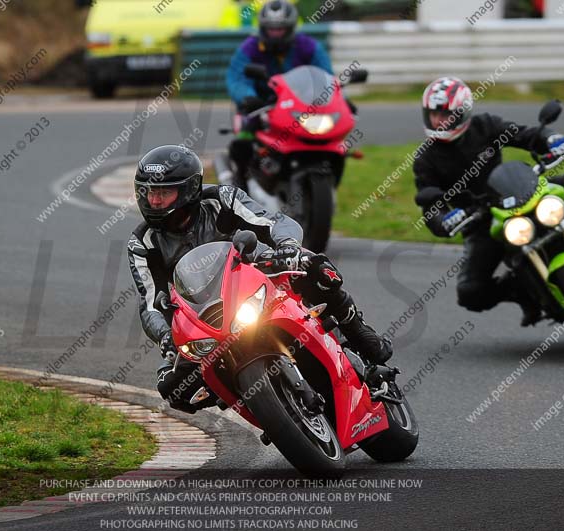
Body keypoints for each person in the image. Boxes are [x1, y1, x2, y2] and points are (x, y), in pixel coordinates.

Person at [128, 145, 392, 413]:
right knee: (173, 389)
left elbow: (274, 222)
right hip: (208, 317)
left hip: (259, 277)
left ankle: (359, 332)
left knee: (317, 268)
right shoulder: (142, 243)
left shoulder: (223, 199)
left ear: (187, 190)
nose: (155, 201)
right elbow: (150, 304)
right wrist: (165, 335)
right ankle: (251, 398)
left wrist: (288, 246)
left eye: (164, 193)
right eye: (150, 193)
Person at [413, 76, 564, 325]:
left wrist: (550, 139)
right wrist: (443, 219)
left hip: (519, 191)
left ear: (462, 112)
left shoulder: (486, 125)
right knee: (470, 292)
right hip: (480, 221)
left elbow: (525, 135)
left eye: (445, 114)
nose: (438, 120)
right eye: (433, 114)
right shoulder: (425, 159)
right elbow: (430, 206)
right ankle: (527, 295)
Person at [224, 0, 333, 188]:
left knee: (326, 134)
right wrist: (247, 97)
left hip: (302, 106)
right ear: (262, 27)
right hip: (260, 105)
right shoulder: (250, 47)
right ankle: (240, 186)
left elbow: (326, 77)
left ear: (290, 28)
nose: (275, 33)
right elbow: (236, 78)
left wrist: (336, 99)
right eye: (271, 29)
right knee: (242, 143)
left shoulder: (308, 46)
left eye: (280, 29)